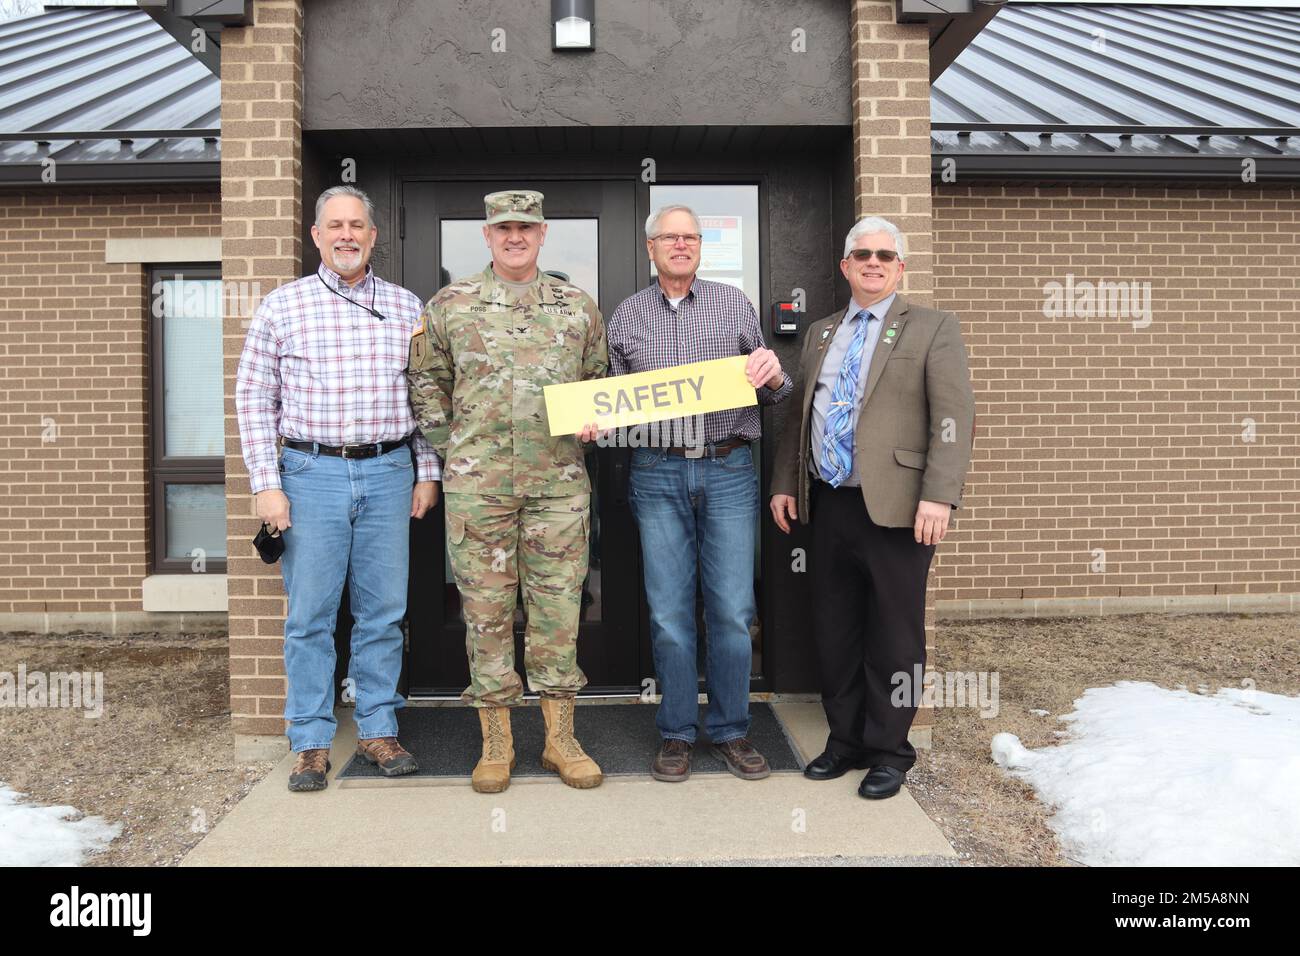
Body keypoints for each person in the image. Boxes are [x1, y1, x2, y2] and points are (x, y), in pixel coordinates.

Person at [236, 185, 441, 792]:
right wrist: (265, 485)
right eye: (336, 225)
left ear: (373, 237)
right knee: (310, 616)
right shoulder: (283, 306)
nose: (347, 234)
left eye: (357, 225)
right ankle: (311, 740)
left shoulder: (407, 307)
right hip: (310, 474)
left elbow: (425, 396)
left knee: (382, 612)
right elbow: (254, 400)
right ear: (317, 236)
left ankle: (378, 727)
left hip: (387, 471)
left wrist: (425, 469)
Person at [407, 189, 607, 793]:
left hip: (558, 488)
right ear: (487, 236)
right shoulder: (451, 305)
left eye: (526, 227)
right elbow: (425, 382)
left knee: (557, 612)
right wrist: (460, 451)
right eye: (503, 228)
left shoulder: (576, 306)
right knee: (487, 612)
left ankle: (559, 739)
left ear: (543, 234)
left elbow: (598, 380)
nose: (515, 236)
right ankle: (497, 742)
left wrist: (591, 424)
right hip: (480, 493)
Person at [770, 215, 975, 799]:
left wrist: (939, 494)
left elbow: (954, 421)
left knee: (894, 636)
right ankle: (845, 742)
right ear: (845, 265)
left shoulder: (933, 328)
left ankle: (890, 749)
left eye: (886, 254)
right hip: (829, 503)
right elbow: (800, 417)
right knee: (834, 631)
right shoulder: (820, 332)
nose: (874, 262)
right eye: (862, 253)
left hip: (900, 509)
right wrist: (787, 481)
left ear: (900, 266)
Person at [606, 204, 792, 782]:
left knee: (733, 611)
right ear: (651, 247)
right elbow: (611, 400)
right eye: (670, 237)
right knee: (668, 613)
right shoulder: (627, 314)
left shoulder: (733, 305)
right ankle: (677, 733)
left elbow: (774, 392)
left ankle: (732, 730)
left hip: (727, 468)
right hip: (657, 472)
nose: (680, 245)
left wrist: (775, 375)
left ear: (700, 247)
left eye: (690, 237)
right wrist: (593, 417)